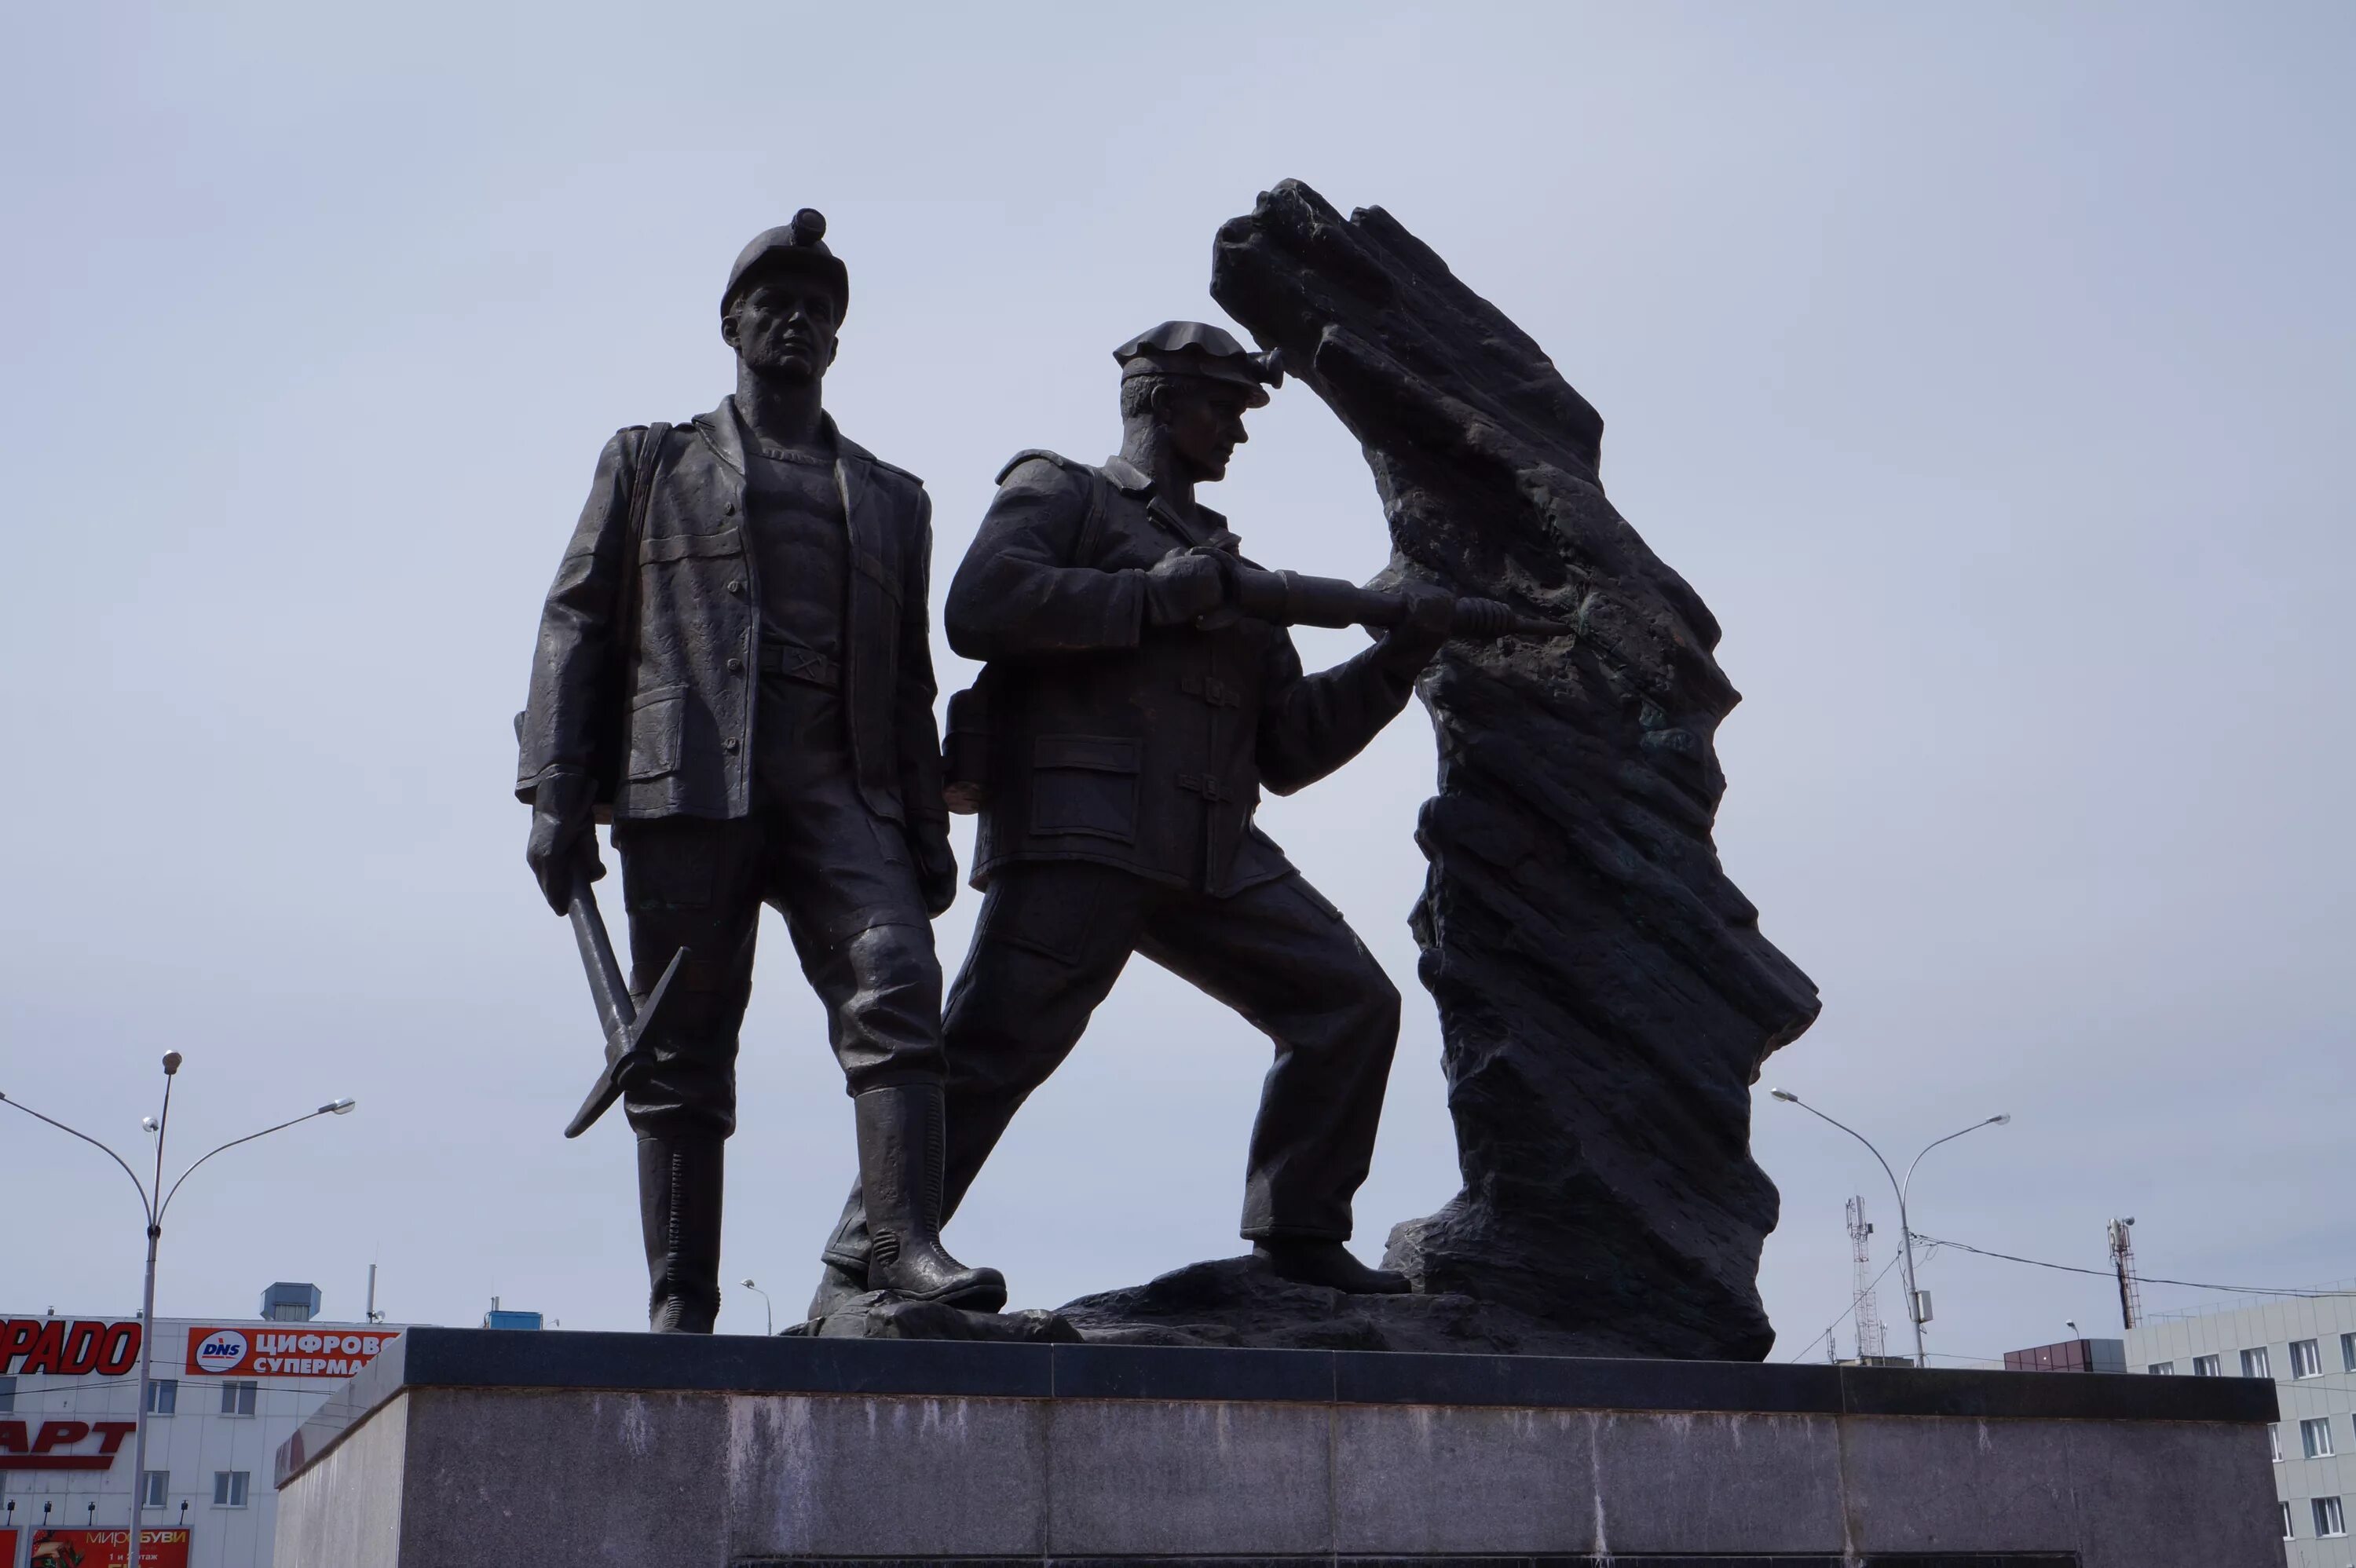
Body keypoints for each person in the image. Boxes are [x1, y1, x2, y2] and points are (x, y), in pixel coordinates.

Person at [810, 321, 1453, 1314]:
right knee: (995, 1044)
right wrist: (1150, 598)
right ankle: (865, 1262)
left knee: (1349, 1002)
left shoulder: (1235, 568)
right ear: (1159, 401)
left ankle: (1300, 1230)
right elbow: (982, 604)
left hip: (1210, 846)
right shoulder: (1062, 490)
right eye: (1224, 408)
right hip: (1083, 830)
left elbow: (1291, 747)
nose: (1238, 431)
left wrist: (1397, 658)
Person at [518, 211, 1002, 1331]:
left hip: (844, 780)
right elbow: (576, 619)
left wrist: (926, 831)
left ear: (838, 340)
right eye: (774, 304)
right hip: (689, 778)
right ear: (730, 324)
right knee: (680, 1048)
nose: (796, 321)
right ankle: (681, 1299)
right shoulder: (651, 459)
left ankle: (902, 1248)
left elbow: (910, 676)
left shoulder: (894, 497)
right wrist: (556, 787)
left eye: (817, 310)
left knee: (899, 983)